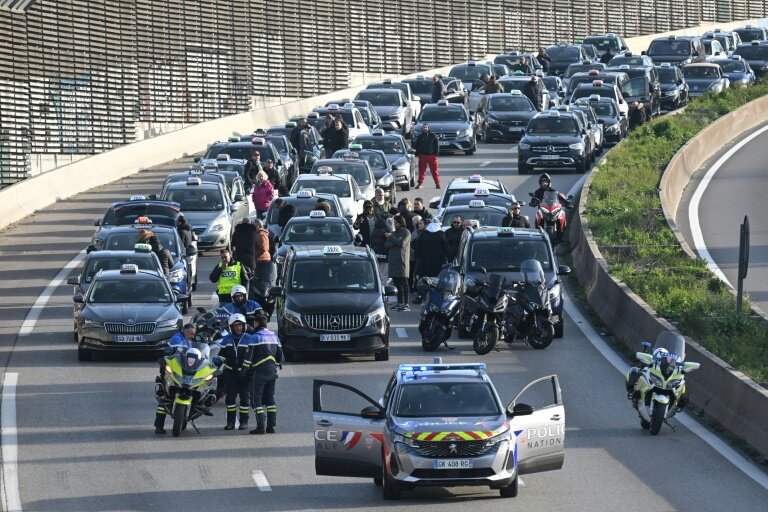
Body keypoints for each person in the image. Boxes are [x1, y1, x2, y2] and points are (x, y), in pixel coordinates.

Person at [154, 324, 196, 434]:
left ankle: (184, 416)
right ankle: (159, 426)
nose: (192, 336)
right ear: (185, 330)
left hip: (182, 372)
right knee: (165, 397)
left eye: (194, 334)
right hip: (170, 372)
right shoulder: (176, 339)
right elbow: (168, 354)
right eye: (191, 334)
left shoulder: (188, 341)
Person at [248, 313, 284, 434]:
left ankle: (260, 426)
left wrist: (244, 370)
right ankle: (271, 426)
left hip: (258, 373)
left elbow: (249, 358)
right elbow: (281, 357)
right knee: (270, 399)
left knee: (255, 400)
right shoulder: (274, 337)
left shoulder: (255, 337)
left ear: (256, 323)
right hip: (272, 372)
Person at [220, 314, 253, 430]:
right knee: (230, 399)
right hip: (231, 373)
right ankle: (230, 423)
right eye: (236, 326)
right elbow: (221, 355)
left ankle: (244, 422)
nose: (238, 328)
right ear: (231, 327)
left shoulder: (250, 339)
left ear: (244, 326)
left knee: (245, 398)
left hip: (245, 373)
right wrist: (216, 362)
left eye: (240, 325)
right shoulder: (226, 340)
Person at [413, 221, 449, 303]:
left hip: (424, 262)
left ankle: (422, 296)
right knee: (437, 280)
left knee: (424, 280)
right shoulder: (441, 235)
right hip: (438, 263)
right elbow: (446, 249)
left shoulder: (423, 234)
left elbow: (416, 246)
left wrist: (419, 256)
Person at [251, 219, 276, 318]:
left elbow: (264, 248)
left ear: (257, 225)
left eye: (253, 225)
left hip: (262, 261)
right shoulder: (258, 234)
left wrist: (255, 255)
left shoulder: (261, 234)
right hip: (259, 260)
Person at [385, 215, 411, 311]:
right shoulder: (394, 233)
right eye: (394, 223)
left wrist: (392, 238)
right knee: (396, 283)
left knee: (404, 283)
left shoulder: (406, 232)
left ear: (401, 222)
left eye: (396, 222)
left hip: (402, 260)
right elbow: (386, 245)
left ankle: (406, 304)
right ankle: (400, 303)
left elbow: (402, 243)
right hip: (393, 261)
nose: (395, 224)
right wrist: (394, 240)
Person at [414, 123, 440, 189]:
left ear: (428, 128)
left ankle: (437, 183)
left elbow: (436, 145)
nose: (425, 128)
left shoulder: (433, 136)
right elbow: (416, 145)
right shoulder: (420, 137)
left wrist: (436, 153)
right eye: (424, 127)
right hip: (422, 155)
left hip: (431, 155)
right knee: (421, 171)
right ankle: (420, 183)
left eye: (426, 127)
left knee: (434, 170)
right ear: (422, 129)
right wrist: (417, 152)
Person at [371, 214, 393, 284]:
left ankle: (377, 287)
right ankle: (382, 289)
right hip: (385, 254)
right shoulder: (387, 229)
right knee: (384, 274)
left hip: (375, 253)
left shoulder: (374, 229)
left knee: (377, 272)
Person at [409, 216, 425, 294]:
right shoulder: (416, 231)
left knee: (417, 273)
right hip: (414, 256)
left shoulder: (420, 233)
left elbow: (415, 244)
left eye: (420, 223)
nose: (418, 225)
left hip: (417, 256)